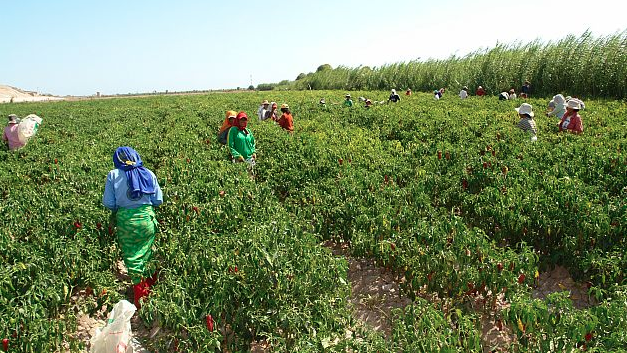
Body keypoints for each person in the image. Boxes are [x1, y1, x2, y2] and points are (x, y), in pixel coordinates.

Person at [102, 147, 163, 308]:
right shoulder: (148, 173)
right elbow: (158, 200)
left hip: (126, 222)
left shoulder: (113, 175)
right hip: (146, 220)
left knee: (134, 258)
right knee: (148, 254)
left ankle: (141, 300)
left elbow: (109, 203)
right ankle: (152, 291)